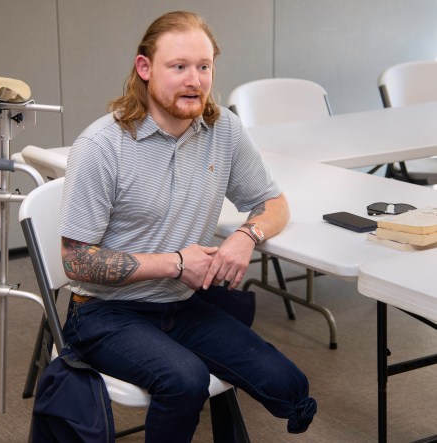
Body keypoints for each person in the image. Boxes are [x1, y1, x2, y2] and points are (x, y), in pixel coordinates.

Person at [58, 10, 316, 441]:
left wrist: (245, 235)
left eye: (203, 66)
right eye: (178, 67)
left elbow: (274, 203)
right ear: (145, 68)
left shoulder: (223, 130)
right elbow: (76, 262)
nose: (194, 80)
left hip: (182, 305)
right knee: (185, 380)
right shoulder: (101, 146)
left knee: (287, 384)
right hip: (104, 312)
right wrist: (176, 263)